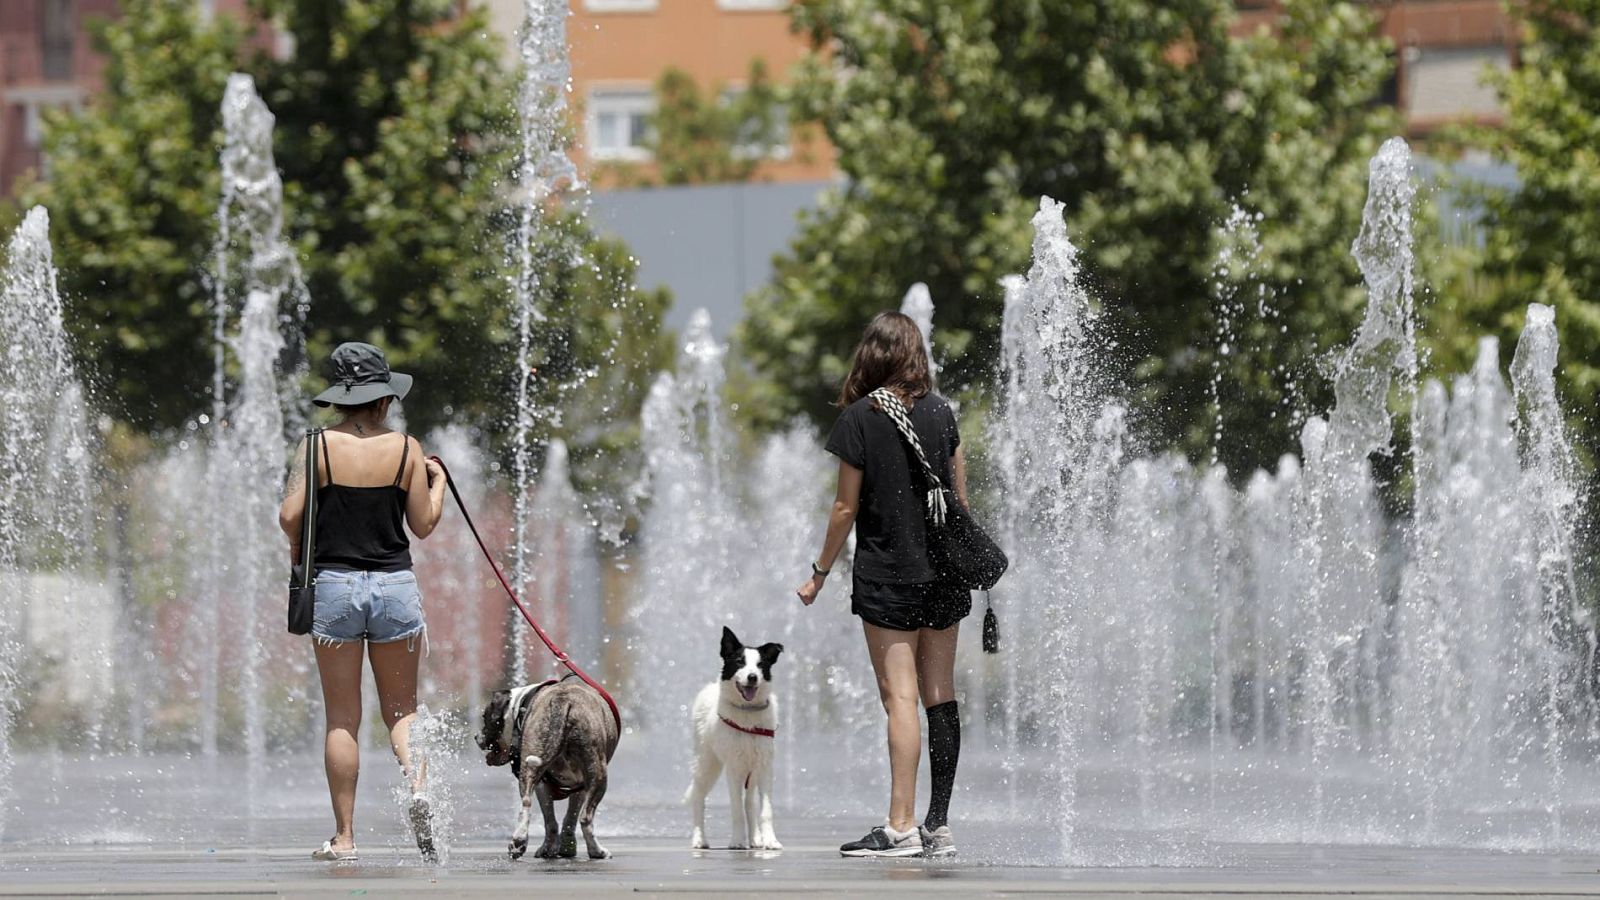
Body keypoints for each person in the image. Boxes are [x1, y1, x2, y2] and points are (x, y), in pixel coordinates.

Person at [796, 311, 969, 859]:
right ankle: (937, 827)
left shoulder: (860, 417)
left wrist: (819, 572)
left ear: (871, 355)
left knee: (900, 699)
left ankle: (899, 827)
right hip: (944, 572)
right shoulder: (943, 413)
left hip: (890, 576)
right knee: (938, 696)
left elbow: (846, 506)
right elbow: (960, 502)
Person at [278, 341, 447, 862]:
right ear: (381, 400)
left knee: (342, 718)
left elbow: (289, 518)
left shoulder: (316, 446)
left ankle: (345, 837)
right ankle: (418, 787)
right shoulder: (406, 449)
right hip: (394, 585)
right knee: (402, 711)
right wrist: (436, 483)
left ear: (340, 399)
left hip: (334, 586)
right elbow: (422, 524)